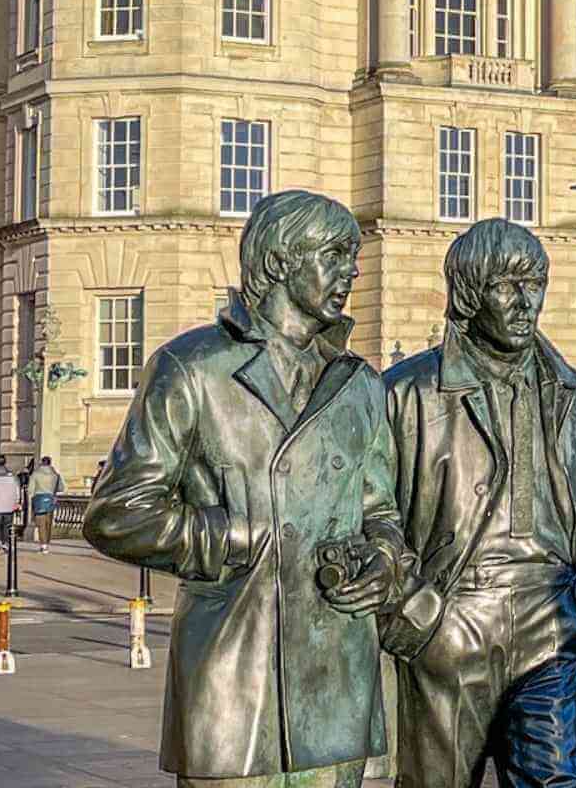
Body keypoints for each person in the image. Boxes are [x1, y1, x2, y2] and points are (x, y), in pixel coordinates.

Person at [84, 190, 404, 788]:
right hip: (235, 668)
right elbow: (115, 512)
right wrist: (229, 537)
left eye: (352, 258)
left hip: (336, 674)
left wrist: (382, 559)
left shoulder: (360, 384)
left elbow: (381, 509)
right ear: (281, 261)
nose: (351, 272)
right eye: (335, 256)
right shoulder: (193, 366)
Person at [381, 217, 576, 788]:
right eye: (505, 286)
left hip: (551, 620)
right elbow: (373, 515)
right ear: (467, 294)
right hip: (453, 618)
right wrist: (412, 613)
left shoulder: (572, 394)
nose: (525, 301)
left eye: (534, 284)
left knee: (554, 779)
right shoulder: (406, 393)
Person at [28, 456, 64, 553]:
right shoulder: (55, 475)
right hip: (51, 499)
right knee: (48, 523)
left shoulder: (36, 474)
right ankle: (47, 543)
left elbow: (30, 489)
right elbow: (61, 488)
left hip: (39, 499)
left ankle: (43, 545)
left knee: (41, 524)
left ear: (41, 462)